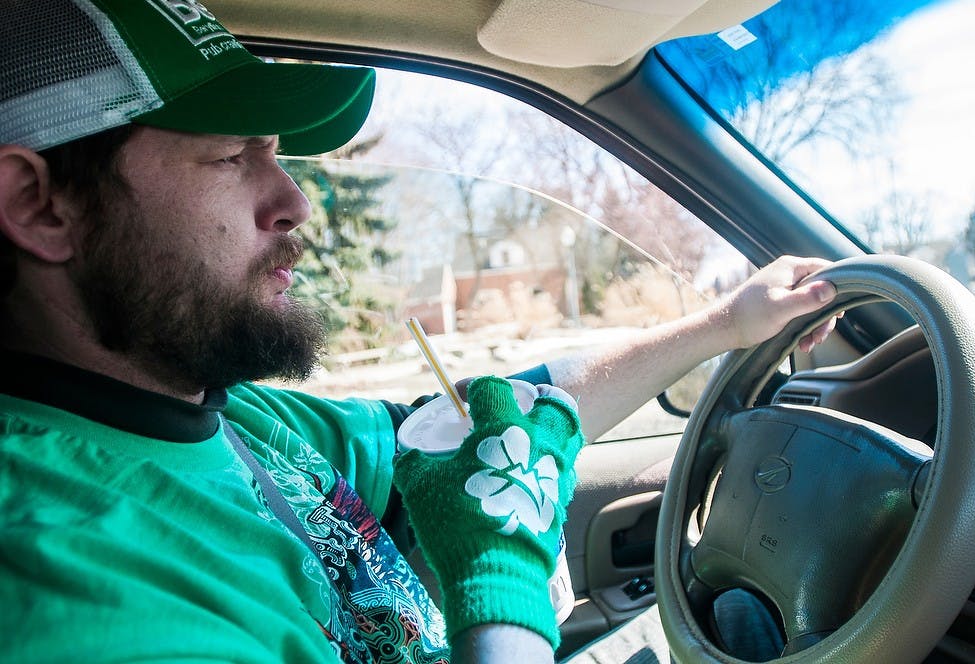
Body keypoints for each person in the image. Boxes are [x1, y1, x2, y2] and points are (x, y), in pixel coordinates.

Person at [0, 1, 839, 662]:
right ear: (41, 204)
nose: (294, 201)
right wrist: (500, 595)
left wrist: (730, 324)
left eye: (275, 152)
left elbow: (494, 420)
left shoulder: (232, 416)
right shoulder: (75, 589)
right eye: (229, 157)